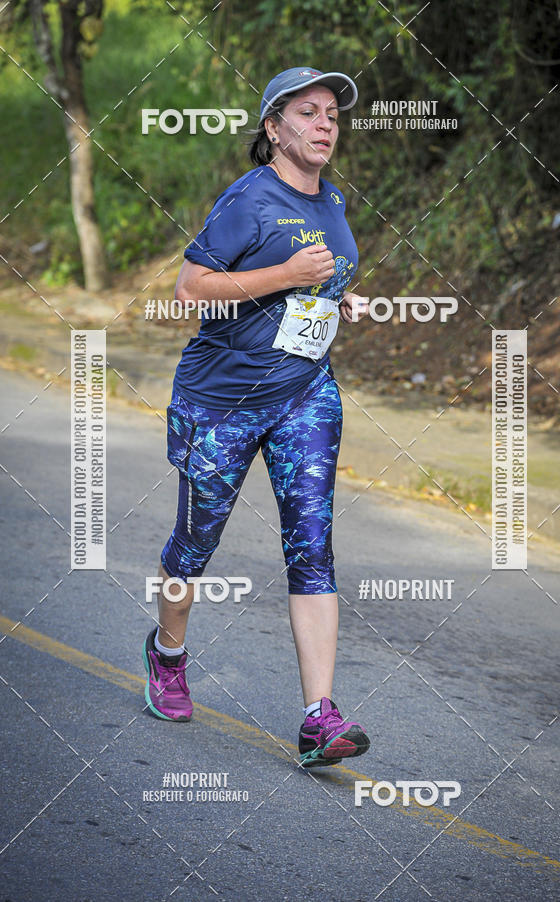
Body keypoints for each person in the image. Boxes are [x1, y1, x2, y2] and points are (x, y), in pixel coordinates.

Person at [143, 66, 371, 768]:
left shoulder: (331, 201)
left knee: (312, 546)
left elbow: (322, 278)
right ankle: (168, 652)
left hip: (306, 395)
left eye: (332, 113)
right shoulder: (249, 199)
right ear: (273, 128)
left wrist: (337, 301)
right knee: (196, 542)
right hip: (224, 402)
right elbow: (190, 292)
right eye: (308, 111)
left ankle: (318, 719)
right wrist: (285, 279)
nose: (325, 123)